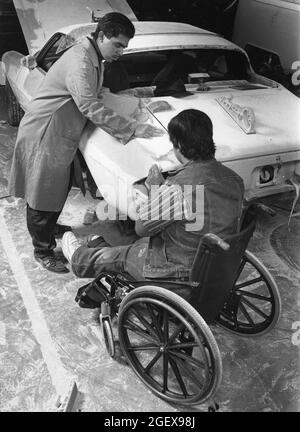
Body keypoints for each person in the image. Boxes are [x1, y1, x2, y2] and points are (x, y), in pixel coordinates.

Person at [9, 12, 163, 274]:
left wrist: (138, 98)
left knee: (57, 187)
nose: (121, 52)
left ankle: (48, 228)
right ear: (101, 36)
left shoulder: (92, 54)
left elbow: (96, 94)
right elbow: (89, 105)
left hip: (59, 130)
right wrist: (132, 128)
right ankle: (42, 249)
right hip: (47, 131)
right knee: (42, 191)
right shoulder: (82, 62)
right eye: (118, 44)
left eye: (124, 46)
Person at [61, 109, 245, 280]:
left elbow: (141, 228)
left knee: (126, 255)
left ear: (179, 145)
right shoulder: (235, 180)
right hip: (216, 264)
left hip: (178, 269)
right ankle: (98, 246)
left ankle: (79, 259)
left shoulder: (177, 188)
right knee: (140, 247)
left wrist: (155, 190)